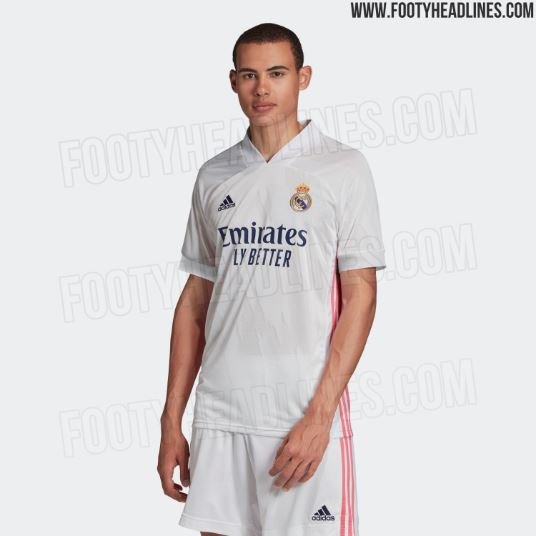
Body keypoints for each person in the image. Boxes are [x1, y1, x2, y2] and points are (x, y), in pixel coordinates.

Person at [157, 22, 387, 536]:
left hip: (298, 415)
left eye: (277, 74)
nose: (262, 88)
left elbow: (361, 296)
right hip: (220, 415)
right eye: (249, 75)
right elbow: (195, 302)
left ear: (303, 78)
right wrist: (172, 419)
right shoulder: (214, 175)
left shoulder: (342, 168)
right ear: (233, 81)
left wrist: (320, 415)